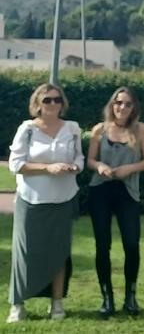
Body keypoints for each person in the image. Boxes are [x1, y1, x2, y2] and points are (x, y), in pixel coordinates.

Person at [7, 83, 84, 324]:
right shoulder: (27, 129)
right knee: (25, 253)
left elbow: (79, 157)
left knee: (59, 253)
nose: (52, 104)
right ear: (37, 104)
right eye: (47, 100)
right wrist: (47, 168)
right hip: (31, 200)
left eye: (57, 100)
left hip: (63, 199)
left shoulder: (72, 129)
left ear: (63, 103)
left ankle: (57, 303)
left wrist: (74, 167)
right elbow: (15, 164)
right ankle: (17, 305)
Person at [87, 86, 144, 317]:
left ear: (134, 107)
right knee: (102, 245)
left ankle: (131, 297)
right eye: (118, 102)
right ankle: (107, 298)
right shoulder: (100, 130)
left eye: (127, 103)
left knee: (131, 244)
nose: (122, 107)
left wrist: (130, 168)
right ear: (111, 105)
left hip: (128, 192)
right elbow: (90, 160)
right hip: (101, 190)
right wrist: (101, 166)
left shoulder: (141, 130)